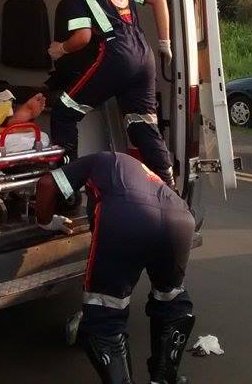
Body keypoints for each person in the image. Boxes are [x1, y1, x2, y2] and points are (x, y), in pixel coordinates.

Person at [35, 152, 196, 384]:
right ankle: (164, 378)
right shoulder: (138, 171)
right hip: (181, 218)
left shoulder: (97, 160)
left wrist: (47, 222)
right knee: (171, 298)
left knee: (104, 312)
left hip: (129, 215)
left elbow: (46, 184)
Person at [48, 0, 176, 187]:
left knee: (63, 113)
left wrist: (60, 49)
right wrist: (165, 44)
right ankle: (170, 192)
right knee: (141, 124)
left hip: (116, 55)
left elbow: (83, 37)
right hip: (144, 55)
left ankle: (66, 190)